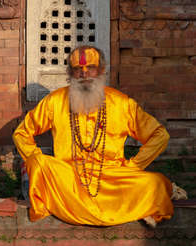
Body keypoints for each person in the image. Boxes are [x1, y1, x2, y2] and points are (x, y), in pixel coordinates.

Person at [13, 45, 185, 227]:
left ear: (102, 70)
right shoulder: (55, 101)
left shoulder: (121, 103)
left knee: (155, 183)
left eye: (91, 68)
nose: (84, 74)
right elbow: (22, 133)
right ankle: (131, 208)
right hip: (69, 178)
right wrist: (36, 157)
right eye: (78, 69)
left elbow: (159, 135)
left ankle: (83, 208)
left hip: (113, 178)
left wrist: (134, 165)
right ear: (70, 73)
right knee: (39, 163)